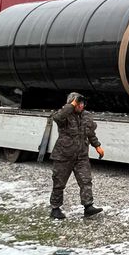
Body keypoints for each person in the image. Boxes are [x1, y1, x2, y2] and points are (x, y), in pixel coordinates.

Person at [50, 92, 105, 220]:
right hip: (63, 155)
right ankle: (55, 209)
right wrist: (71, 105)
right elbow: (57, 118)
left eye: (82, 103)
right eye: (78, 103)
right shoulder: (64, 115)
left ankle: (88, 207)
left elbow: (90, 133)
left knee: (86, 181)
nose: (81, 106)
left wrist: (97, 146)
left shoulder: (86, 116)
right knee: (59, 183)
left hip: (81, 156)